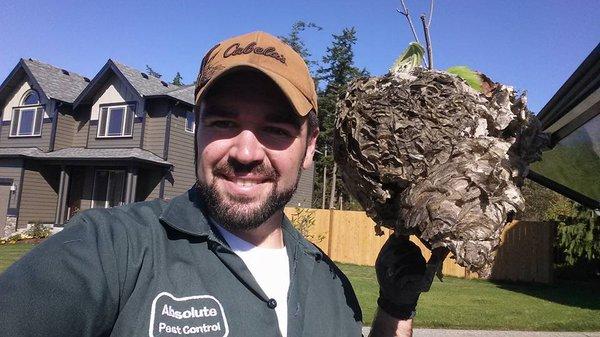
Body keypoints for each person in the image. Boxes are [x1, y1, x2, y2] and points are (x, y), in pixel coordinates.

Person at [0, 31, 426, 337]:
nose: (245, 152)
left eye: (275, 129)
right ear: (197, 128)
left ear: (310, 145)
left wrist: (395, 310)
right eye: (224, 122)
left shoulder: (332, 287)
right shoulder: (110, 248)